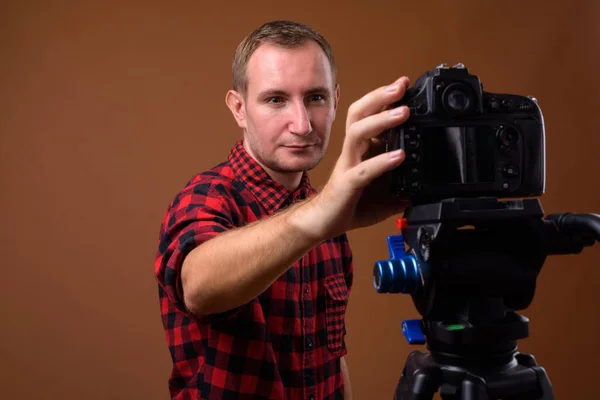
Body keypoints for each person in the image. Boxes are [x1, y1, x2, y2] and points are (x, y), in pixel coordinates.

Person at [154, 20, 411, 400]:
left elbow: (332, 359)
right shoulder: (206, 196)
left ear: (336, 101)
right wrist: (321, 213)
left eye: (316, 98)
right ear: (239, 108)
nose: (302, 124)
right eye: (276, 100)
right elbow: (198, 287)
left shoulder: (324, 214)